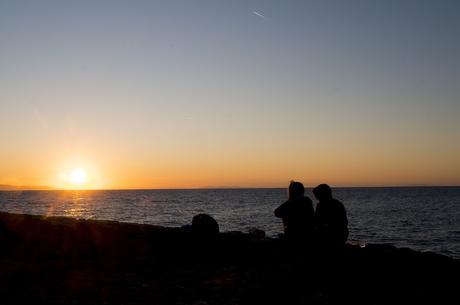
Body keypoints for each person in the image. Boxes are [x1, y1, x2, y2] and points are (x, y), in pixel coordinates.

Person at [313, 184, 348, 249]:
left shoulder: (322, 206)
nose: (316, 197)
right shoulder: (338, 203)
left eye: (316, 195)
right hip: (342, 234)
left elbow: (318, 222)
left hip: (332, 235)